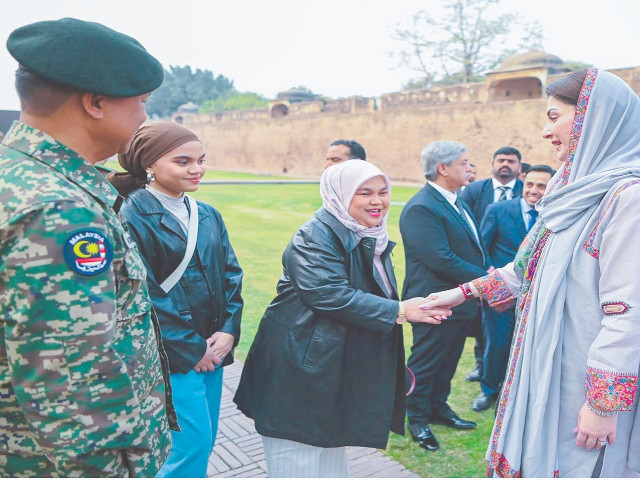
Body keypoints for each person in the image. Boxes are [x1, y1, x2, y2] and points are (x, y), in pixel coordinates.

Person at [421, 68, 640, 477]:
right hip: (544, 362)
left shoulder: (628, 198)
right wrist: (462, 293)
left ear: (594, 118)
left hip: (583, 377)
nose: (544, 131)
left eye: (554, 117)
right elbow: (524, 269)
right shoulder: (568, 191)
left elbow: (628, 314)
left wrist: (601, 405)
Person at [0, 18, 175, 477]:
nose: (144, 117)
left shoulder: (17, 174)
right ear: (95, 103)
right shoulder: (58, 208)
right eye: (140, 102)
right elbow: (69, 377)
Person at [233, 160, 451, 477]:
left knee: (329, 460)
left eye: (383, 192)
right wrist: (401, 311)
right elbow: (328, 294)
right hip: (299, 375)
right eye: (364, 193)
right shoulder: (314, 236)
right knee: (298, 462)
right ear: (340, 194)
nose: (377, 201)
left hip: (328, 372)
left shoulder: (364, 233)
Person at [109, 121, 244, 477]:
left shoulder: (208, 214)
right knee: (187, 447)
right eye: (183, 161)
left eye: (201, 159)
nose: (197, 169)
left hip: (213, 347)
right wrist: (190, 347)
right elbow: (142, 291)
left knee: (206, 439)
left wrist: (229, 331)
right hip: (169, 355)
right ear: (150, 165)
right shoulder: (129, 214)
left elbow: (231, 274)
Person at [400, 141, 489, 452]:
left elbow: (471, 246)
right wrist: (487, 277)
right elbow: (441, 258)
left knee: (448, 361)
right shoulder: (421, 207)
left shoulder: (456, 200)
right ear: (443, 168)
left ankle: (438, 408)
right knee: (426, 364)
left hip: (460, 301)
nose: (470, 167)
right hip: (432, 302)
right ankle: (416, 418)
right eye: (464, 162)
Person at [472, 165, 555, 412]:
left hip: (537, 298)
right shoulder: (497, 210)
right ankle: (488, 390)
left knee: (526, 350)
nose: (534, 190)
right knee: (495, 345)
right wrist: (490, 279)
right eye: (530, 184)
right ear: (522, 183)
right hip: (502, 294)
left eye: (541, 185)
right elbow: (482, 249)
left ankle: (513, 396)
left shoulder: (557, 214)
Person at [460, 146, 523, 383]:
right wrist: (481, 271)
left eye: (511, 161)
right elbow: (470, 233)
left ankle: (508, 373)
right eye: (501, 160)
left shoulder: (526, 190)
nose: (505, 164)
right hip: (485, 266)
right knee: (483, 326)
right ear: (493, 163)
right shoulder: (476, 190)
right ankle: (482, 367)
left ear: (519, 166)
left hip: (518, 269)